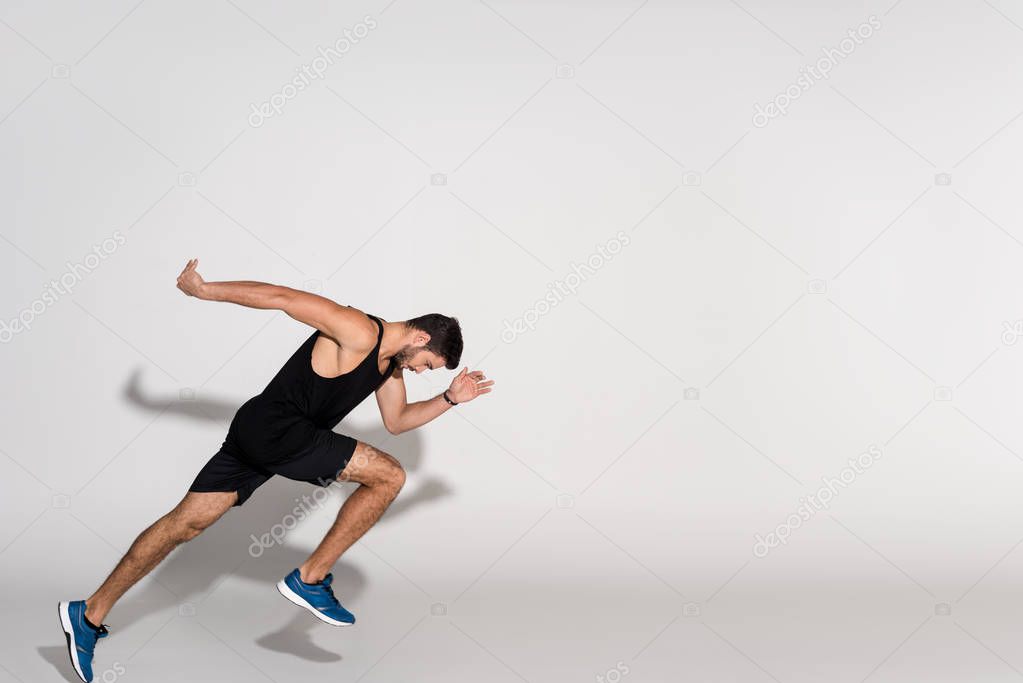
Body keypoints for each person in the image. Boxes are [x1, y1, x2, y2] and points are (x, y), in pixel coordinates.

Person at [58, 259, 493, 683]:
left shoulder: (387, 368)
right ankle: (309, 578)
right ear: (419, 337)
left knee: (183, 525)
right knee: (391, 475)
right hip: (279, 430)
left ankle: (89, 613)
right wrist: (204, 290)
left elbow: (396, 422)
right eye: (427, 365)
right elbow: (283, 298)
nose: (420, 372)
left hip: (262, 433)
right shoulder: (359, 330)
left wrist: (450, 400)